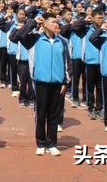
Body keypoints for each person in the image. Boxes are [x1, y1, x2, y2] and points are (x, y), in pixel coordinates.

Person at [14, 13, 70, 157]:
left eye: (57, 22)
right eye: (52, 22)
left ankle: (52, 144)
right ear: (44, 23)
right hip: (40, 82)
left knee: (54, 115)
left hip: (57, 83)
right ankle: (41, 143)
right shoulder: (35, 39)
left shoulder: (62, 42)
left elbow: (66, 63)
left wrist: (65, 82)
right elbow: (18, 36)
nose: (56, 24)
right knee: (40, 114)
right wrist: (32, 22)